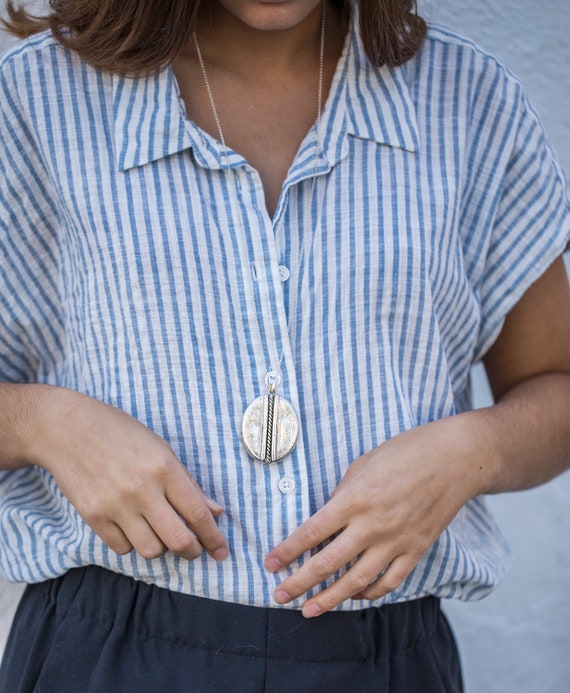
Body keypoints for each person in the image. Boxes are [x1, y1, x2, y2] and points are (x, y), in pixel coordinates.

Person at [0, 0, 569, 690]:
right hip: (108, 652)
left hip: (385, 659)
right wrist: (45, 425)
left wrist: (472, 453)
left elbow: (553, 382)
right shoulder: (33, 100)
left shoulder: (471, 102)